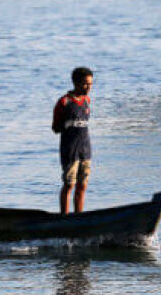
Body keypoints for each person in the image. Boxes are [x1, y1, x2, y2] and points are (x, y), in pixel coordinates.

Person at [52, 66, 93, 214]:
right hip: (70, 151)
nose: (88, 87)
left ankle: (79, 217)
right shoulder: (64, 102)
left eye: (90, 84)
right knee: (69, 185)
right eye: (85, 84)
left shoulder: (87, 100)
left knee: (82, 186)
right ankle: (65, 217)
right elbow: (55, 128)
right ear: (75, 83)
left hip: (85, 150)